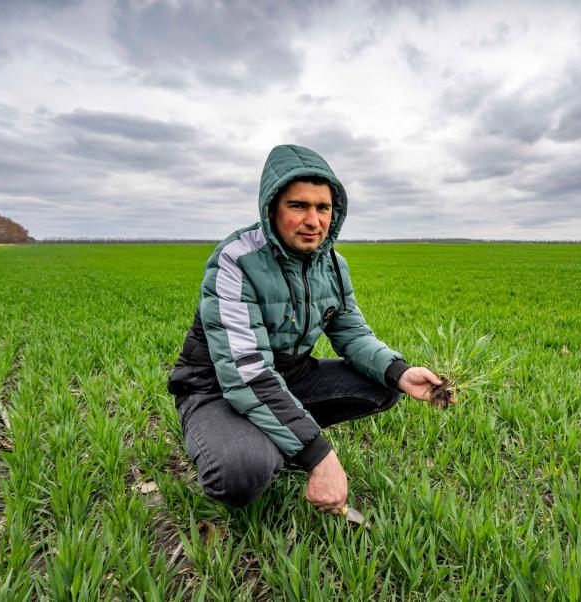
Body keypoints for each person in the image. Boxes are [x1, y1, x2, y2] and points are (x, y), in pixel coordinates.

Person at [168, 144, 445, 514]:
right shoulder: (236, 261)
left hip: (291, 376)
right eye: (298, 206)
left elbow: (352, 333)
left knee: (386, 385)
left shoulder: (332, 263)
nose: (313, 220)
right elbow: (247, 372)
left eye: (323, 207)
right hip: (218, 388)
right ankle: (251, 439)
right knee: (241, 471)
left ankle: (280, 431)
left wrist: (400, 371)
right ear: (272, 209)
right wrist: (319, 455)